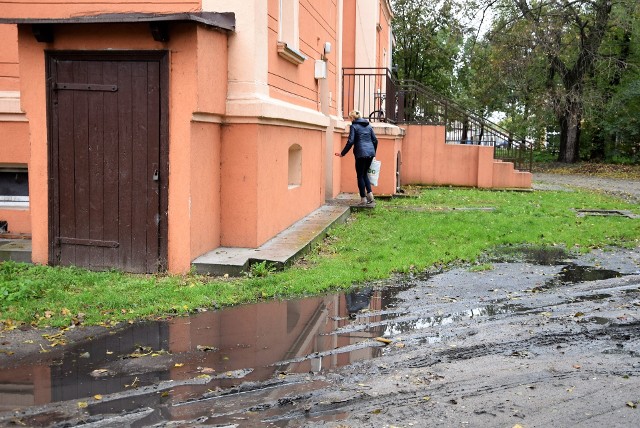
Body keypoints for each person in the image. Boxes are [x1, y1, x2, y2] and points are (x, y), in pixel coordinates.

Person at [335, 110, 378, 205]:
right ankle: (370, 195)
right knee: (365, 174)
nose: (350, 120)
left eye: (350, 118)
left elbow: (351, 141)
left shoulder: (354, 126)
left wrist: (342, 153)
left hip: (361, 153)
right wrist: (373, 152)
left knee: (360, 175)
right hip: (370, 153)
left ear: (353, 118)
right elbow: (375, 140)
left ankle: (363, 199)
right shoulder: (369, 126)